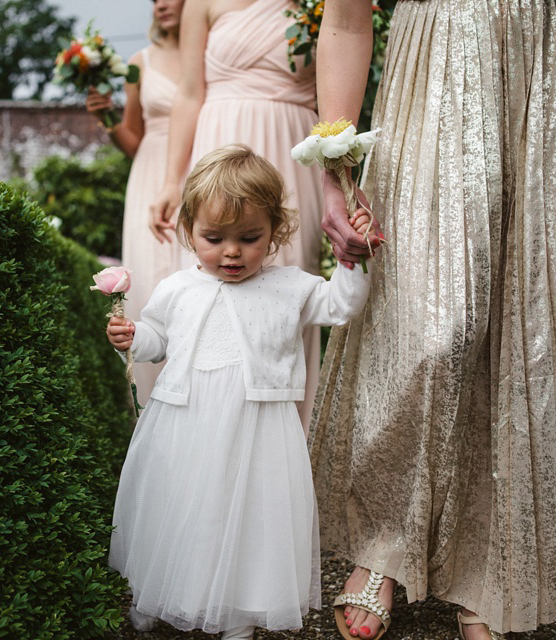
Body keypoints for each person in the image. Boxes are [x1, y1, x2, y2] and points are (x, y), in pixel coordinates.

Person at [307, 2, 556, 640]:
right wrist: (335, 171)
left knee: (542, 318)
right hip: (441, 64)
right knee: (433, 325)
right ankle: (382, 543)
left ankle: (497, 570)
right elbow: (344, 17)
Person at [107, 145, 372, 639]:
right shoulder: (176, 288)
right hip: (186, 421)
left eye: (250, 238)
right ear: (189, 230)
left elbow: (341, 306)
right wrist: (133, 337)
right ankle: (157, 592)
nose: (232, 252)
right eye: (214, 238)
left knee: (249, 519)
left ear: (275, 232)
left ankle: (238, 614)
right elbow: (159, 339)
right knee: (180, 509)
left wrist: (351, 260)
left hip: (259, 428)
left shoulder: (290, 286)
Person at [148, 0, 325, 434]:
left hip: (293, 149)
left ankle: (283, 442)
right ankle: (199, 435)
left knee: (288, 293)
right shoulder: (203, 3)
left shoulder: (315, 3)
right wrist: (173, 178)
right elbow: (190, 92)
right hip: (219, 136)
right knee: (206, 294)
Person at [85, 0, 184, 404]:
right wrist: (107, 119)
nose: (161, 4)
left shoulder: (213, 53)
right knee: (151, 280)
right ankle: (150, 401)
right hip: (148, 174)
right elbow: (134, 140)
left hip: (200, 167)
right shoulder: (139, 63)